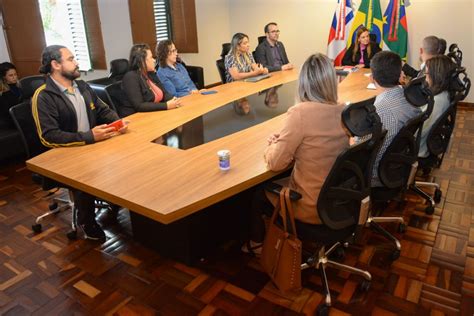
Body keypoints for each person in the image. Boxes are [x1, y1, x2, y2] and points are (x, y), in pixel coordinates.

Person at [244, 53, 349, 254]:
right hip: (338, 199)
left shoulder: (300, 112)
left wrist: (271, 147)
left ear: (304, 83)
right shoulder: (343, 110)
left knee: (258, 194)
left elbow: (275, 163)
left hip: (309, 204)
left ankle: (258, 246)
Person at [32, 45, 128, 240]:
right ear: (55, 64)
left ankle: (115, 197)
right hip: (62, 155)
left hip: (89, 146)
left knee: (124, 156)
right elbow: (48, 136)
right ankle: (87, 222)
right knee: (86, 175)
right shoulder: (43, 96)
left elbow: (102, 110)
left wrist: (118, 122)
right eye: (71, 59)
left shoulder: (82, 86)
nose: (77, 62)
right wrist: (88, 137)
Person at [369, 51, 422, 187]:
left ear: (372, 77)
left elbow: (362, 151)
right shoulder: (412, 100)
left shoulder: (377, 113)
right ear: (400, 75)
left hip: (375, 175)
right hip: (398, 166)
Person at [121, 43, 181, 117]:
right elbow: (139, 106)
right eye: (151, 57)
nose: (154, 60)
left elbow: (164, 93)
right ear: (142, 61)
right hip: (136, 118)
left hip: (154, 114)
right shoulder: (130, 77)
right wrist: (166, 106)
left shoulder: (151, 74)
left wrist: (174, 100)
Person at [418, 55, 456, 158]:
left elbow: (418, 131)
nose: (425, 78)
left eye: (426, 74)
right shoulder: (444, 94)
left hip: (418, 147)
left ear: (436, 75)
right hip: (425, 142)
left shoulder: (436, 101)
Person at [0, 62, 23, 127]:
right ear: (4, 77)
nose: (14, 77)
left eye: (15, 74)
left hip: (19, 115)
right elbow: (7, 115)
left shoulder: (18, 87)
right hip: (10, 120)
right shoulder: (3, 93)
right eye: (11, 75)